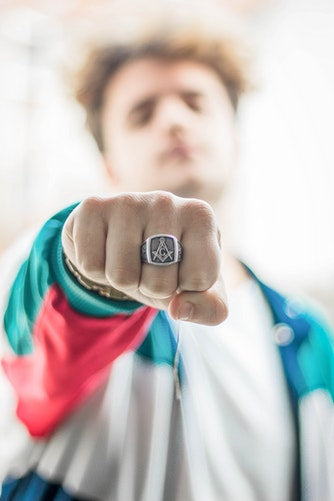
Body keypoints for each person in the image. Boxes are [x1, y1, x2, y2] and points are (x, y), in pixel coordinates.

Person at [0, 4, 333, 501]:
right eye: (143, 113)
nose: (174, 120)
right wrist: (90, 279)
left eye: (195, 102)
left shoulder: (313, 335)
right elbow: (41, 346)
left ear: (236, 139)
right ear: (110, 166)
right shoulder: (49, 261)